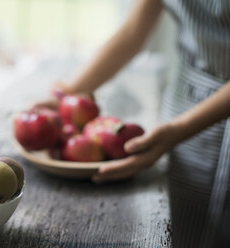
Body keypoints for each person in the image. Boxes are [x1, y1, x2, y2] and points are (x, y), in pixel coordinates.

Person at [34, 0, 230, 247]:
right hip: (183, 104)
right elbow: (133, 31)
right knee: (182, 223)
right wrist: (70, 95)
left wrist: (178, 131)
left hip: (185, 122)